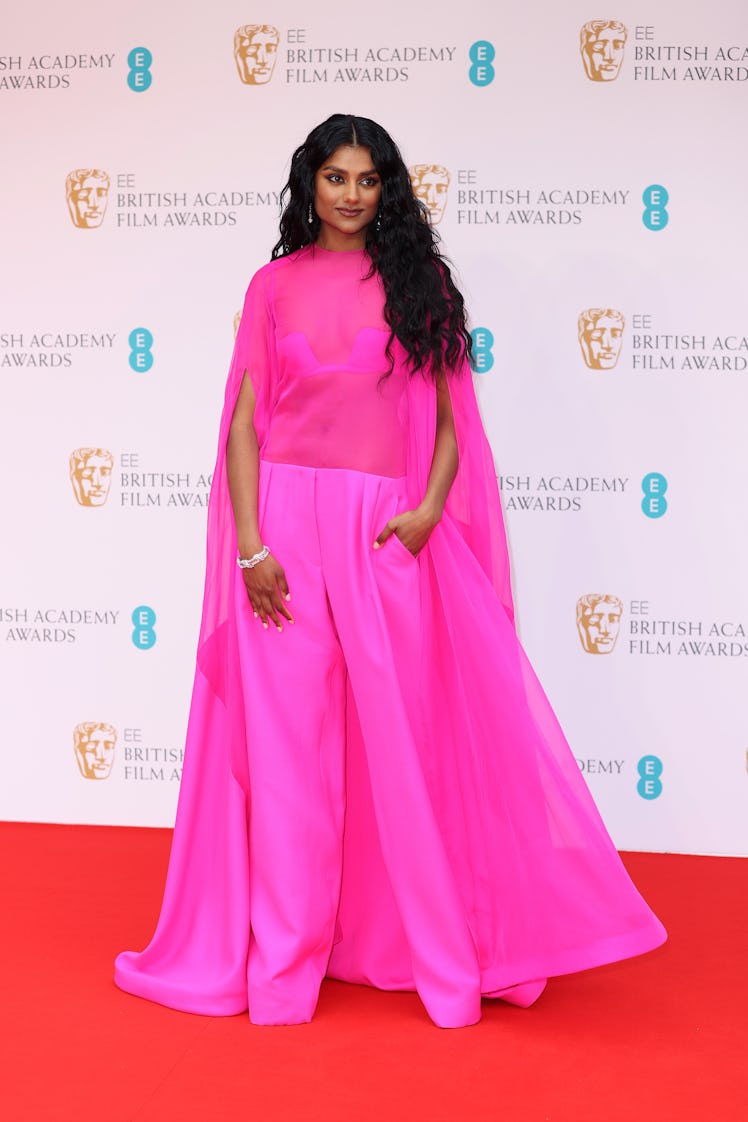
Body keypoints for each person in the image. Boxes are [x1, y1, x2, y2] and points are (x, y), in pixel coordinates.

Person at [115, 114, 666, 1029]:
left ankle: (439, 958)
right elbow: (245, 423)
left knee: (403, 754)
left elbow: (454, 423)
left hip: (379, 533)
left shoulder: (421, 284)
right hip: (283, 534)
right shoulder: (272, 286)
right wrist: (251, 545)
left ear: (388, 191)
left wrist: (420, 517)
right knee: (289, 761)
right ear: (310, 183)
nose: (352, 194)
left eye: (369, 180)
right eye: (336, 177)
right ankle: (282, 976)